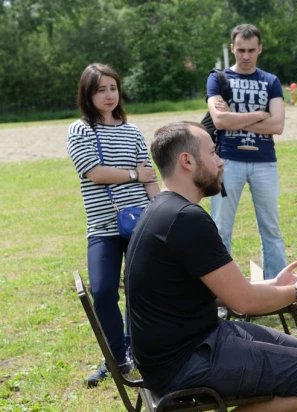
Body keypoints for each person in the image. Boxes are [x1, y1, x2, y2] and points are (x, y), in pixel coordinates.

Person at [126, 121, 297, 411]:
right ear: (186, 161)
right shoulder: (186, 218)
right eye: (213, 153)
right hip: (184, 362)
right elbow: (244, 302)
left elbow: (225, 290)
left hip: (182, 348)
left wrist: (277, 285)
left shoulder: (163, 209)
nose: (221, 162)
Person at [66, 63, 159, 387]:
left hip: (140, 223)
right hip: (103, 227)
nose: (108, 95)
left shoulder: (132, 132)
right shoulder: (80, 130)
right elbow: (94, 173)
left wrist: (160, 211)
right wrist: (134, 175)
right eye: (100, 90)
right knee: (103, 291)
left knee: (139, 290)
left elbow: (151, 179)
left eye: (112, 88)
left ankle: (137, 351)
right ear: (88, 95)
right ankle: (116, 359)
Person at [207, 23, 286, 279]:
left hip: (264, 162)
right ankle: (222, 293)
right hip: (226, 161)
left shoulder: (271, 81)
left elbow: (278, 125)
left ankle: (277, 286)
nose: (245, 56)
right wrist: (258, 115)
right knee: (220, 230)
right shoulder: (218, 79)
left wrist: (235, 116)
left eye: (251, 50)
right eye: (240, 49)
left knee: (271, 228)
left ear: (260, 49)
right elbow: (219, 121)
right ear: (232, 48)